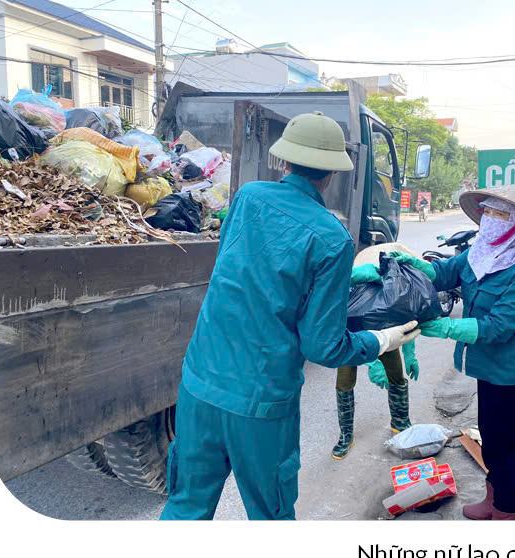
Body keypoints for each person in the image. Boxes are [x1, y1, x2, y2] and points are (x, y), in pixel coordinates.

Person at [160, 112, 420, 520]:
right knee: (271, 518)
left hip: (200, 386)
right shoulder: (333, 239)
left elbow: (234, 269)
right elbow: (323, 344)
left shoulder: (247, 197)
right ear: (332, 174)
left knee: (185, 507)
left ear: (284, 162)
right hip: (261, 405)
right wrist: (383, 340)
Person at [371, 183, 515, 521]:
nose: (490, 219)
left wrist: (444, 328)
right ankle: (493, 497)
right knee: (490, 434)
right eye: (487, 211)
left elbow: (497, 327)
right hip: (488, 368)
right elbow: (443, 273)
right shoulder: (479, 253)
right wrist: (414, 264)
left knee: (501, 445)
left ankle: (507, 511)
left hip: (512, 372)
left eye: (500, 214)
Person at [330, 243, 427, 460]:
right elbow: (341, 318)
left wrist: (410, 354)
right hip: (350, 336)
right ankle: (346, 435)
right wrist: (372, 362)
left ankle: (400, 422)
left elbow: (407, 321)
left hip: (386, 334)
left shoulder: (399, 286)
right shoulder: (354, 281)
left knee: (397, 376)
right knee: (344, 381)